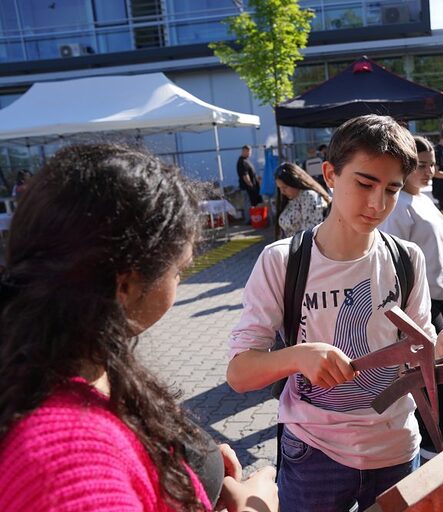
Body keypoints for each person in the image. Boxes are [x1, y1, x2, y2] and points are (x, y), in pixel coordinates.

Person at [226, 115, 443, 512]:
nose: (377, 204)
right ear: (331, 174)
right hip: (313, 455)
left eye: (391, 190)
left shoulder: (406, 259)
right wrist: (299, 356)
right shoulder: (283, 261)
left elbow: (414, 357)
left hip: (397, 450)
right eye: (364, 183)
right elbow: (239, 374)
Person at [0, 144, 278, 512]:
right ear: (126, 285)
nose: (180, 279)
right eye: (179, 269)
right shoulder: (67, 464)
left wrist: (187, 468)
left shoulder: (68, 356)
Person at [379, 135, 443, 461]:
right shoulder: (397, 208)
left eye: (432, 163)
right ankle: (437, 448)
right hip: (420, 304)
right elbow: (391, 266)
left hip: (441, 298)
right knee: (436, 379)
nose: (429, 170)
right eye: (421, 164)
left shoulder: (423, 199)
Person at [275, 162, 331, 238]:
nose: (282, 192)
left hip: (302, 247)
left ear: (295, 182)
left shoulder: (308, 196)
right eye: (279, 188)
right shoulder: (290, 199)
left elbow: (310, 233)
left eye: (285, 187)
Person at [237, 144, 262, 225]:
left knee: (250, 204)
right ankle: (249, 221)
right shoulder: (242, 162)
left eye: (250, 152)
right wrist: (251, 185)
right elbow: (245, 175)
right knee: (247, 204)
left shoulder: (247, 161)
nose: (249, 153)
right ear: (244, 151)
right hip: (246, 188)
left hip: (249, 187)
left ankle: (252, 219)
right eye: (248, 151)